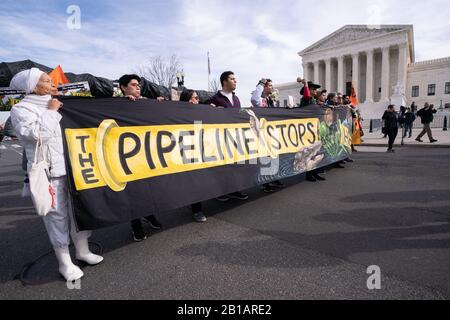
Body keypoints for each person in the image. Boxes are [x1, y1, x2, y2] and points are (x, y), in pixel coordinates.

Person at [9, 68, 103, 282]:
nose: (52, 84)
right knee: (57, 219)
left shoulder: (61, 103)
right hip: (50, 174)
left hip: (74, 170)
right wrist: (52, 112)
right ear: (32, 87)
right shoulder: (22, 110)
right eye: (46, 81)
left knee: (79, 213)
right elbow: (35, 136)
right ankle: (64, 263)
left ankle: (83, 251)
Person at [118, 74, 163, 241]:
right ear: (123, 87)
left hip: (146, 153)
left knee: (148, 188)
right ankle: (135, 225)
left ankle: (149, 215)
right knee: (132, 191)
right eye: (133, 85)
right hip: (126, 156)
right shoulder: (114, 103)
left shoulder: (144, 102)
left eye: (139, 85)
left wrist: (156, 103)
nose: (137, 88)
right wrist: (122, 102)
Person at [250, 78, 284, 192]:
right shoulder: (260, 99)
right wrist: (260, 84)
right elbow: (254, 100)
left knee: (274, 155)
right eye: (269, 85)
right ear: (264, 87)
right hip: (262, 132)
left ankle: (273, 178)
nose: (271, 87)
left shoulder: (271, 99)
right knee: (265, 157)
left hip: (272, 132)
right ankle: (265, 182)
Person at [179, 89, 207, 222]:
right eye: (195, 98)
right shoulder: (178, 112)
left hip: (201, 148)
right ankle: (197, 209)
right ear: (188, 100)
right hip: (187, 149)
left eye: (197, 98)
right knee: (193, 179)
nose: (198, 100)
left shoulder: (200, 111)